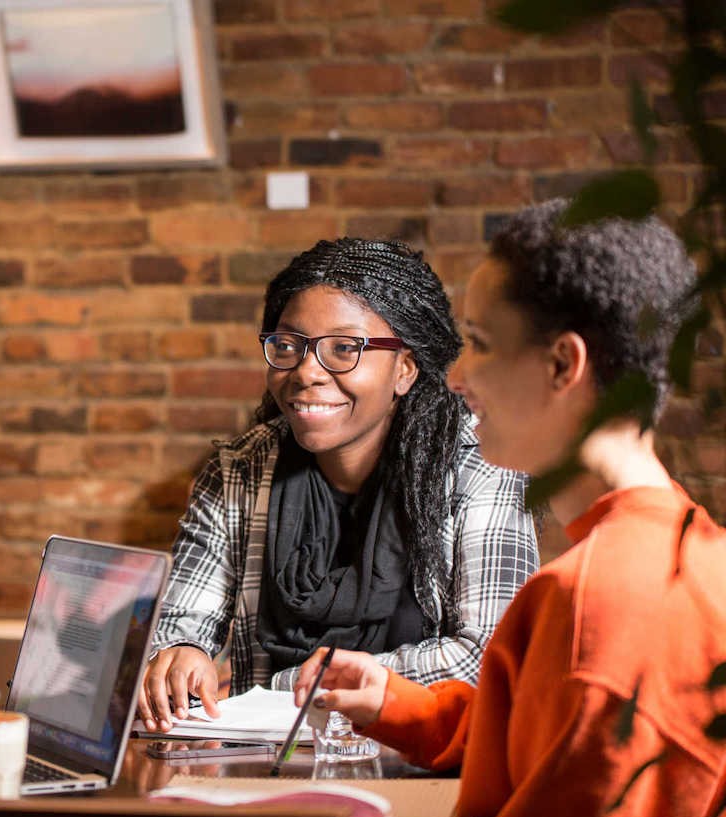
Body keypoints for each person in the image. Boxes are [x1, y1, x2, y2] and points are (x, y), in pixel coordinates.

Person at [293, 201, 726, 817]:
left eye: (483, 343)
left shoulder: (593, 601)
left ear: (562, 365)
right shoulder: (691, 546)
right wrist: (396, 701)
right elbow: (554, 736)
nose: (456, 374)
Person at [139, 238, 538, 732]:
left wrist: (292, 686)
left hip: (422, 763)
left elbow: (487, 659)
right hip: (266, 763)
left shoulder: (481, 469)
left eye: (344, 349)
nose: (307, 371)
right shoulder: (240, 471)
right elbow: (176, 624)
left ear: (405, 369)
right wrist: (180, 652)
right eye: (288, 346)